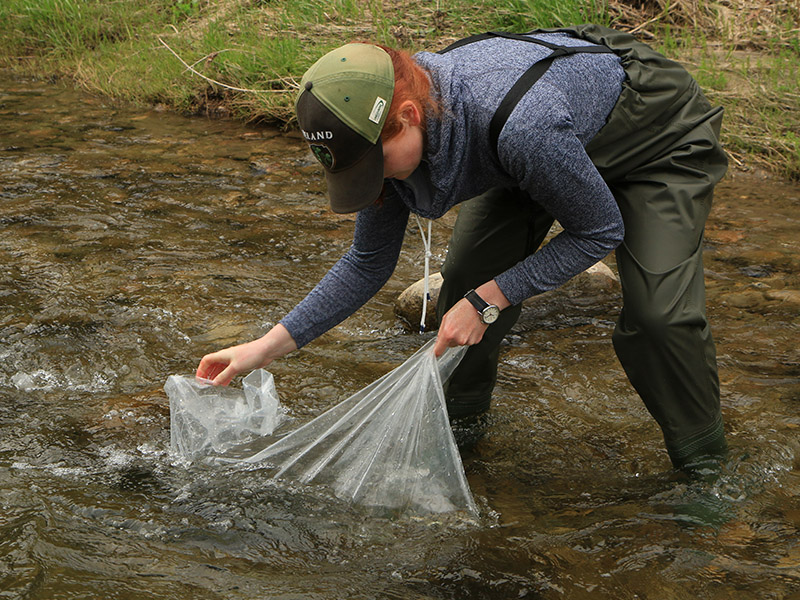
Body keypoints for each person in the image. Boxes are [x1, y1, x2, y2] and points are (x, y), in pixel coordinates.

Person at [196, 25, 729, 470]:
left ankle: (703, 465)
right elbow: (366, 262)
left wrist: (490, 298)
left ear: (408, 115)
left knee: (659, 318)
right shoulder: (388, 141)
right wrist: (261, 348)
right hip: (539, 157)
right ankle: (462, 434)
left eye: (375, 167)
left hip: (655, 142)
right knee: (463, 281)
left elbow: (598, 231)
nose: (374, 184)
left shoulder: (521, 125)